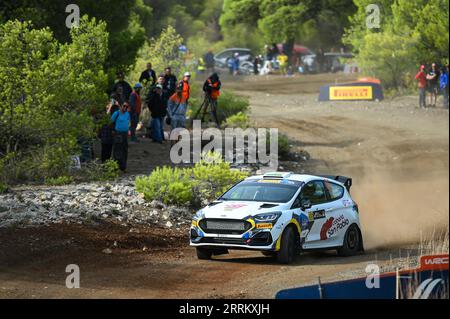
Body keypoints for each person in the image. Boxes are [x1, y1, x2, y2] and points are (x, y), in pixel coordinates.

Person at [98, 97, 120, 162]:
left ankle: (104, 163)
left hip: (106, 136)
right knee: (107, 151)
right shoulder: (111, 117)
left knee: (105, 150)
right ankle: (105, 163)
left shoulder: (106, 116)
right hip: (108, 136)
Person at [111, 102, 131, 172]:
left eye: (127, 106)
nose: (125, 108)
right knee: (117, 150)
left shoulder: (127, 114)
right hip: (118, 133)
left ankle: (123, 167)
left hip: (125, 134)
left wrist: (129, 130)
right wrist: (112, 131)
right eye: (124, 106)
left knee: (124, 150)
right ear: (120, 106)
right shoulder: (116, 113)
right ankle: (115, 167)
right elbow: (111, 122)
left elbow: (128, 122)